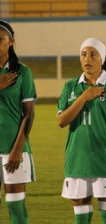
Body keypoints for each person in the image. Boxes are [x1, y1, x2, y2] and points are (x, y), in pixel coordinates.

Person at [58, 37, 106, 224]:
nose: (87, 59)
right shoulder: (70, 86)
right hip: (78, 158)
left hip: (105, 160)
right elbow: (62, 121)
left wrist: (105, 136)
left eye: (93, 54)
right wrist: (84, 97)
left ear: (103, 59)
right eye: (83, 54)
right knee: (81, 218)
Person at [0, 20, 36, 224]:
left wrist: (17, 150)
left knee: (16, 206)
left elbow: (29, 114)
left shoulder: (22, 72)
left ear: (11, 42)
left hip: (13, 148)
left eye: (1, 39)